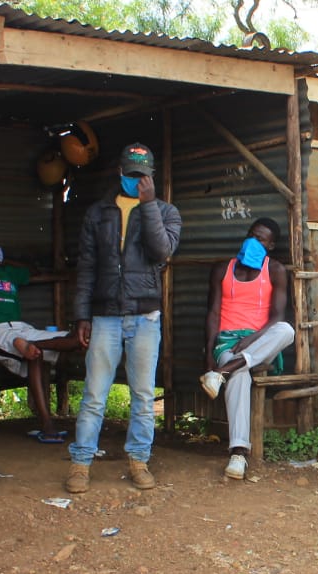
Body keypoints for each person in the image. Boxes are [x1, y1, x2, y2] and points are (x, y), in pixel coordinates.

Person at [65, 143, 180, 494]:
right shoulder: (98, 213)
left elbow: (161, 251)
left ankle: (139, 461)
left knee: (143, 395)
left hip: (145, 316)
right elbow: (87, 266)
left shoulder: (166, 212)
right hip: (105, 316)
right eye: (131, 174)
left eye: (142, 175)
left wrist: (148, 204)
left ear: (152, 176)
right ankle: (81, 463)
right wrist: (82, 315)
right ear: (119, 172)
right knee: (94, 394)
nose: (136, 180)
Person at [201, 218, 295, 481]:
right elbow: (213, 314)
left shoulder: (275, 270)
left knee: (287, 330)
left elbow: (277, 317)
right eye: (252, 235)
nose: (254, 241)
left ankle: (223, 372)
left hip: (259, 340)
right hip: (228, 342)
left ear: (271, 245)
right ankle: (238, 453)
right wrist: (208, 354)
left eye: (261, 239)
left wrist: (253, 338)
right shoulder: (223, 269)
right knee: (241, 374)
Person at [0, 245, 83, 442]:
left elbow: (33, 270)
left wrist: (6, 263)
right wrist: (5, 262)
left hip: (20, 328)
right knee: (31, 350)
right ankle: (47, 424)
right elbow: (33, 270)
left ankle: (34, 345)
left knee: (65, 339)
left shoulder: (5, 273)